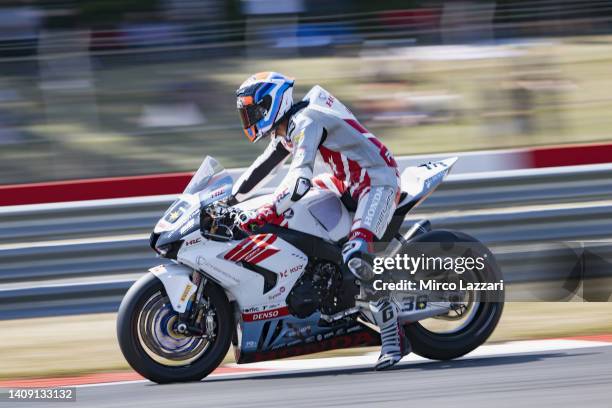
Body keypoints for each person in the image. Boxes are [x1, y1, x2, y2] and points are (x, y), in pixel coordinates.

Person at [228, 71, 409, 370]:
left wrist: (265, 212)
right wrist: (230, 201)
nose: (250, 118)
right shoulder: (290, 126)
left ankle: (394, 338)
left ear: (272, 103)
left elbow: (299, 179)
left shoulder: (307, 120)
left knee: (355, 255)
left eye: (253, 111)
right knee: (296, 218)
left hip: (376, 180)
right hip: (345, 182)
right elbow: (262, 169)